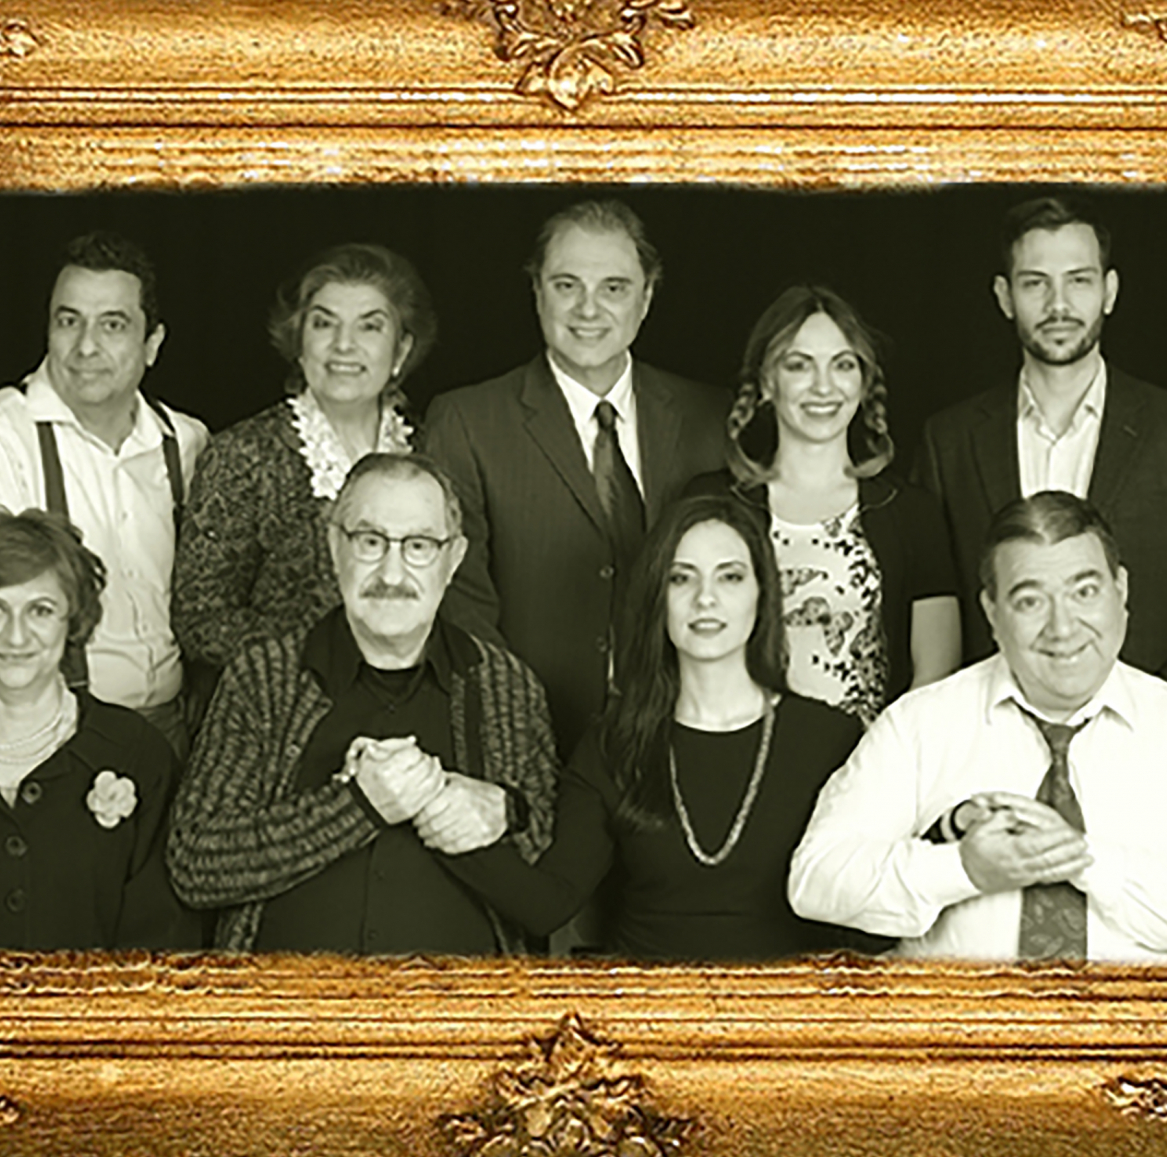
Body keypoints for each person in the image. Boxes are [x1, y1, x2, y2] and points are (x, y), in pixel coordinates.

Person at [787, 492, 1167, 964]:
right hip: (960, 1020)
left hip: (1140, 1021)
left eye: (1084, 592)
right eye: (1029, 601)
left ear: (1121, 591)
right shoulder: (918, 725)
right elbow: (814, 881)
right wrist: (962, 869)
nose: (1062, 627)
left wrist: (1084, 860)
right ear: (992, 613)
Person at [431, 494, 871, 960]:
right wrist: (429, 806)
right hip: (643, 998)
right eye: (681, 578)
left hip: (783, 1002)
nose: (705, 599)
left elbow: (868, 925)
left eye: (730, 577)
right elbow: (547, 904)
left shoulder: (829, 739)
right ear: (657, 597)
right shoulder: (614, 742)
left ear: (762, 594)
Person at [165, 453, 559, 954]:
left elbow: (550, 870)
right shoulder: (262, 678)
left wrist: (508, 810)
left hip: (463, 1001)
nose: (391, 573)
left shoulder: (506, 685)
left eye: (419, 546)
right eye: (371, 542)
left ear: (454, 558)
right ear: (335, 546)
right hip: (285, 999)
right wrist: (357, 806)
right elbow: (195, 865)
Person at [912, 196, 1167, 704]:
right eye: (1035, 283)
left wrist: (1150, 719)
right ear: (1005, 296)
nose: (1058, 305)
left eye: (1078, 280)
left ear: (1109, 291)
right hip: (990, 734)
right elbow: (933, 615)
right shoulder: (949, 441)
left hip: (1143, 738)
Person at [423, 199, 729, 755]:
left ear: (646, 298)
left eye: (614, 288)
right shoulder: (466, 422)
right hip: (528, 739)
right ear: (537, 292)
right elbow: (460, 604)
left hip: (687, 734)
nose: (589, 309)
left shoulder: (712, 419)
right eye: (567, 285)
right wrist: (515, 731)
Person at [0, 507, 198, 952]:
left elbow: (163, 941)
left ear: (73, 619)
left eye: (40, 610)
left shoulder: (138, 753)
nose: (16, 636)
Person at [0, 229, 210, 756]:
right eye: (69, 321)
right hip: (54, 735)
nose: (86, 347)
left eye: (112, 325)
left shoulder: (187, 441)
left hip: (175, 730)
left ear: (152, 344)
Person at [685, 286, 960, 724]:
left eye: (843, 364)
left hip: (875, 756)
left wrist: (881, 759)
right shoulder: (711, 504)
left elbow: (935, 675)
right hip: (740, 754)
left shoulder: (912, 512)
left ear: (863, 382)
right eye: (799, 365)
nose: (823, 386)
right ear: (766, 383)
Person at [172, 244, 434, 672]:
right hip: (280, 701)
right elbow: (201, 619)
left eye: (369, 327)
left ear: (401, 351)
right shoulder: (242, 455)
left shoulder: (430, 450)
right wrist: (322, 660)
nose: (344, 345)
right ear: (299, 342)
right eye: (324, 324)